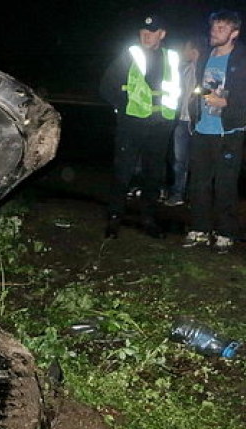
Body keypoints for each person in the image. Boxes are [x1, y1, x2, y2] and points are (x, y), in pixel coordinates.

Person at [100, 14, 182, 239]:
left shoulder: (172, 58)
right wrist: (123, 107)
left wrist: (171, 119)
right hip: (132, 125)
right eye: (143, 31)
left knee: (153, 175)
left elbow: (178, 89)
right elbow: (106, 86)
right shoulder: (129, 55)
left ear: (162, 34)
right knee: (122, 172)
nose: (146, 35)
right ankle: (114, 219)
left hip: (160, 127)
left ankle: (149, 219)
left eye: (152, 31)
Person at [184, 9, 246, 254]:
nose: (214, 31)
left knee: (225, 185)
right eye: (213, 27)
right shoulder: (205, 57)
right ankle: (199, 228)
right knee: (198, 182)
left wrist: (227, 104)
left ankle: (226, 232)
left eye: (221, 28)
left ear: (234, 33)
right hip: (202, 129)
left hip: (229, 133)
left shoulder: (242, 60)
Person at [166, 35, 206, 207]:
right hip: (181, 121)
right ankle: (178, 193)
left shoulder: (206, 70)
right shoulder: (184, 69)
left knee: (197, 162)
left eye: (186, 48)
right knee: (179, 161)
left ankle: (194, 197)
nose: (184, 52)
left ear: (194, 50)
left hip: (198, 123)